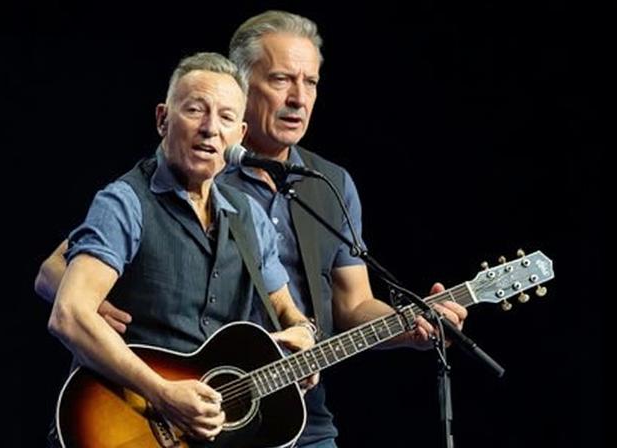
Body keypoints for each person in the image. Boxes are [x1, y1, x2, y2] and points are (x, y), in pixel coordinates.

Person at [36, 11, 469, 448]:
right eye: (281, 79)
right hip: (159, 406)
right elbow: (60, 273)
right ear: (164, 119)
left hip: (277, 409)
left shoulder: (314, 189)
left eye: (311, 82)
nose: (298, 98)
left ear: (236, 127)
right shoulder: (155, 184)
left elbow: (340, 306)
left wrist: (339, 329)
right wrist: (96, 311)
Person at [44, 52, 318, 446]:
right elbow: (68, 315)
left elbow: (287, 311)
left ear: (240, 135)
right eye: (195, 110)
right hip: (121, 423)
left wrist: (302, 333)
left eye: (225, 118)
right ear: (162, 119)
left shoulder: (249, 218)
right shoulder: (124, 202)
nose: (210, 129)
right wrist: (161, 392)